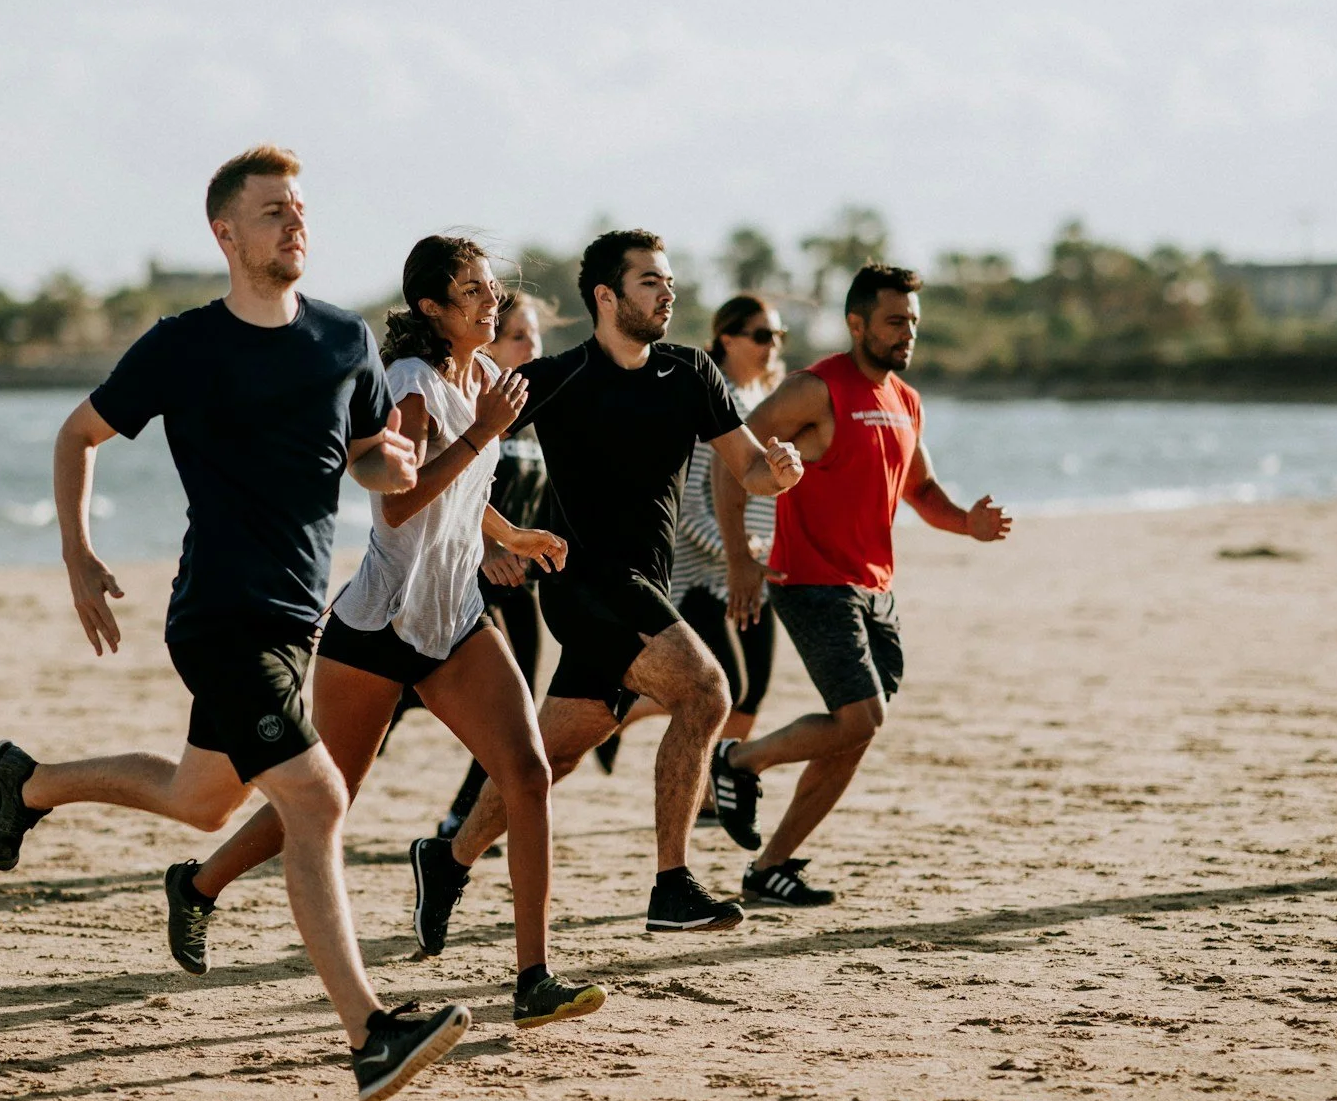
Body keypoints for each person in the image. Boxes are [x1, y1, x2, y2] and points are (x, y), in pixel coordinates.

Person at [0, 146, 471, 1101]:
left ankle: (27, 782)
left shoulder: (343, 340)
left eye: (300, 209)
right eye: (274, 211)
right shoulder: (184, 344)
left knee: (200, 802)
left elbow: (371, 454)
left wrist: (393, 469)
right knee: (318, 800)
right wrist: (77, 554)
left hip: (295, 619)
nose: (295, 224)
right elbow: (78, 434)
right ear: (226, 234)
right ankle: (370, 1032)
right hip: (217, 617)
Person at [164, 237, 607, 1030]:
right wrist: (482, 433)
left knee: (528, 774)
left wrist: (510, 537)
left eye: (490, 286)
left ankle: (533, 977)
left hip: (454, 620)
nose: (489, 299)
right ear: (434, 309)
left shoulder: (482, 381)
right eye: (470, 291)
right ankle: (198, 884)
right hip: (377, 626)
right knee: (327, 797)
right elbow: (399, 504)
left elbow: (461, 495)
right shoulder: (409, 385)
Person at [411, 229, 805, 945]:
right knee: (708, 690)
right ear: (606, 295)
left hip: (642, 584)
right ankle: (671, 884)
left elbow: (746, 467)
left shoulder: (690, 373)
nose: (667, 293)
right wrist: (488, 543)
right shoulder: (557, 377)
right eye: (650, 281)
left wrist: (777, 471)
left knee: (551, 757)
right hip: (585, 581)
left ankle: (447, 859)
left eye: (668, 281)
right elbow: (457, 459)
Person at [707, 263, 1011, 907]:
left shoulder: (906, 400)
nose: (907, 333)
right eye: (895, 321)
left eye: (913, 323)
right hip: (811, 580)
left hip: (875, 589)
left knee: (856, 730)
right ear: (857, 323)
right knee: (860, 715)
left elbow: (921, 491)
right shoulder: (814, 389)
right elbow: (729, 460)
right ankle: (738, 762)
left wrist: (969, 525)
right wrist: (738, 557)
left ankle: (769, 869)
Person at [668, 294, 790, 830]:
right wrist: (735, 555)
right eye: (763, 335)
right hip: (702, 576)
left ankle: (717, 786)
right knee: (726, 687)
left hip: (754, 571)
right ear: (727, 339)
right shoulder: (712, 403)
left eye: (779, 337)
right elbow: (689, 503)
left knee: (754, 686)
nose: (773, 346)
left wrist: (765, 557)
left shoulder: (766, 401)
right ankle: (700, 791)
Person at [436, 290, 553, 841]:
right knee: (490, 705)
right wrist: (487, 549)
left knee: (517, 705)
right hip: (471, 581)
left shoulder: (536, 414)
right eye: (519, 337)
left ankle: (464, 809)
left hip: (520, 585)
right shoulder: (476, 408)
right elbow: (446, 488)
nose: (533, 347)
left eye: (537, 336)